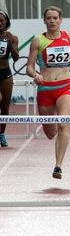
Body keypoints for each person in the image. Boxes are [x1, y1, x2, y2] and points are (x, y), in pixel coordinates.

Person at [26, 6, 70, 179]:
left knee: (63, 123)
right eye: (48, 18)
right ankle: (56, 134)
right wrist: (36, 75)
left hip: (65, 87)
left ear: (60, 20)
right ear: (44, 20)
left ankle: (58, 166)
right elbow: (29, 67)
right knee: (50, 133)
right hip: (45, 89)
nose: (52, 21)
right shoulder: (38, 40)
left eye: (55, 18)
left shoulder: (68, 37)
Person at [0, 10, 19, 147]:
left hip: (6, 73)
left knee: (5, 106)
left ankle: (2, 134)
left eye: (1, 21)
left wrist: (9, 43)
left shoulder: (12, 37)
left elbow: (16, 58)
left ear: (6, 22)